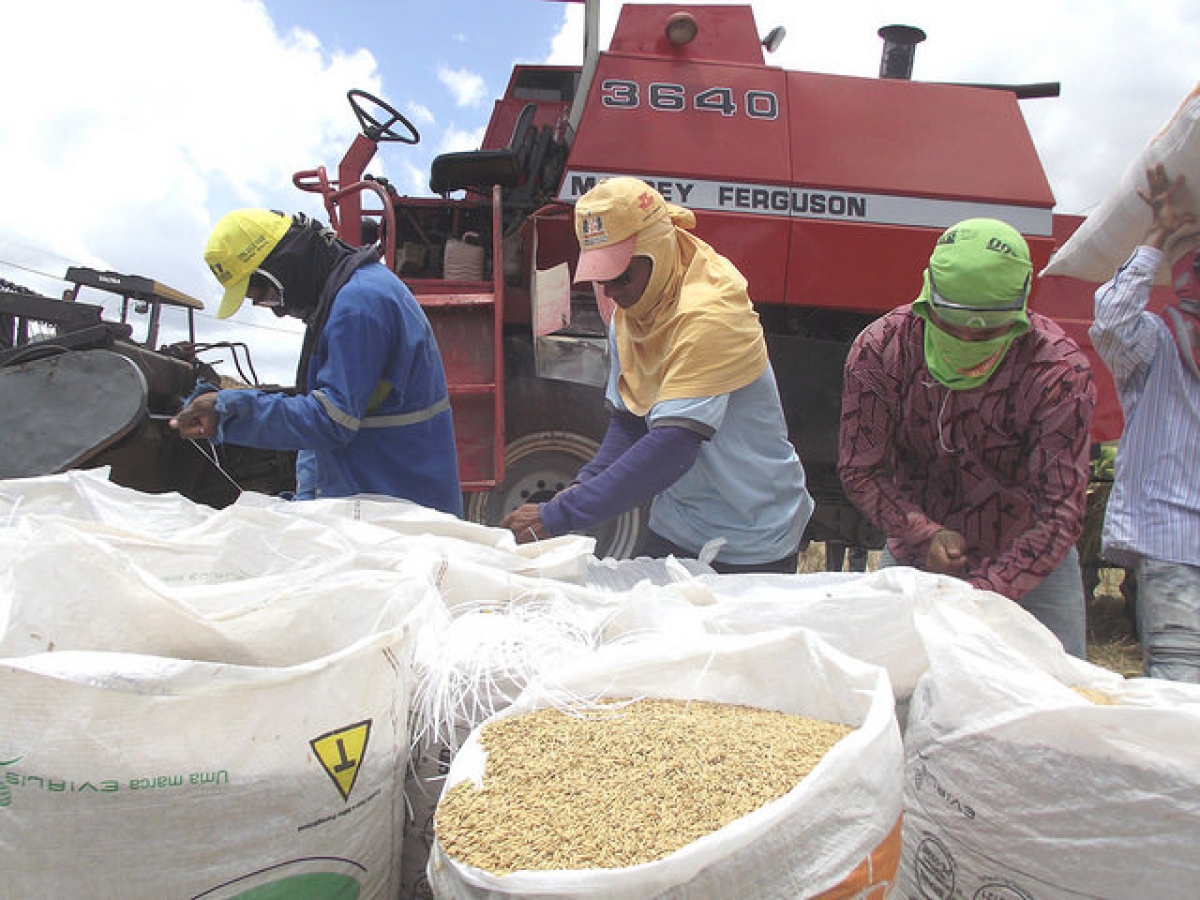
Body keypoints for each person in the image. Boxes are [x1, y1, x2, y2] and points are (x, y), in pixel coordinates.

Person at [500, 177, 812, 573]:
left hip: (751, 533)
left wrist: (560, 514)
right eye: (602, 278)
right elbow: (631, 421)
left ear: (658, 249)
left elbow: (673, 446)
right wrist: (582, 487)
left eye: (622, 276)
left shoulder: (710, 313)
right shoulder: (632, 313)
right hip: (679, 523)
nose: (612, 292)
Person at [838, 218, 1096, 657]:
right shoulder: (881, 350)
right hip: (917, 558)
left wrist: (981, 594)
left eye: (988, 332)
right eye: (951, 325)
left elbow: (1060, 510)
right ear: (928, 296)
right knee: (901, 686)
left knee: (1054, 694)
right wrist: (923, 533)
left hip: (1033, 563)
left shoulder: (1057, 373)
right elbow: (861, 469)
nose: (967, 339)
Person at [170, 208, 462, 516]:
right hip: (376, 502)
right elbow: (320, 416)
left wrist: (229, 412)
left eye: (268, 297)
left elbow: (330, 420)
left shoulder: (359, 305)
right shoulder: (346, 297)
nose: (277, 311)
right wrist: (307, 498)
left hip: (399, 515)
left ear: (285, 269)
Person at [1089, 164, 1200, 682]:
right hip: (1176, 548)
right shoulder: (1157, 343)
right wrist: (1156, 235)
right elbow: (1110, 322)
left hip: (1171, 543)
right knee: (1182, 696)